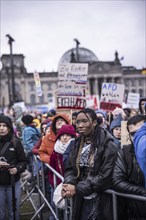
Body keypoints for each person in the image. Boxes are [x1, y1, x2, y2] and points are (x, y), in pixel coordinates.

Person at [62, 108, 118, 220]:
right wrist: (69, 184)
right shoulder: (76, 143)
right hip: (81, 198)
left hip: (101, 199)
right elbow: (70, 168)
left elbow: (105, 176)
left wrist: (77, 188)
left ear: (94, 122)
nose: (80, 125)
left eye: (84, 121)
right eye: (77, 122)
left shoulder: (108, 144)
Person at [112, 114, 146, 219]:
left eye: (141, 132)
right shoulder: (124, 153)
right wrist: (142, 191)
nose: (137, 136)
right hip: (137, 211)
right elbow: (117, 181)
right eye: (133, 133)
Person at [0, 115, 27, 220]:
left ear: (9, 127)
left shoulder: (15, 142)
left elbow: (24, 161)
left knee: (14, 212)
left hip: (13, 183)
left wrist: (17, 169)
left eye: (4, 125)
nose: (1, 128)